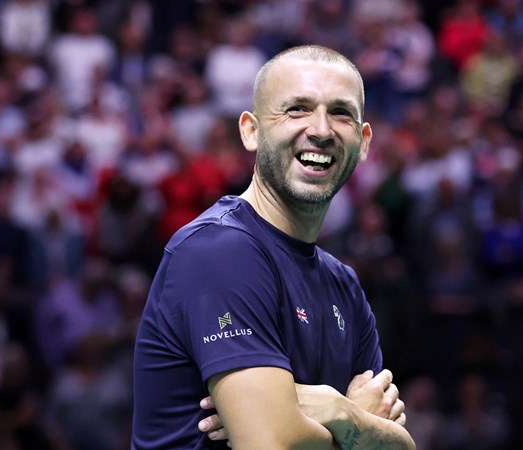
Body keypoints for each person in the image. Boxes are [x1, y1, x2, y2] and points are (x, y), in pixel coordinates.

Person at [132, 45, 416, 449]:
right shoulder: (217, 251)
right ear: (251, 130)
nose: (321, 129)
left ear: (364, 141)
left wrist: (335, 415)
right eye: (297, 109)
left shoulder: (345, 287)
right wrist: (356, 422)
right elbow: (270, 445)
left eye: (340, 113)